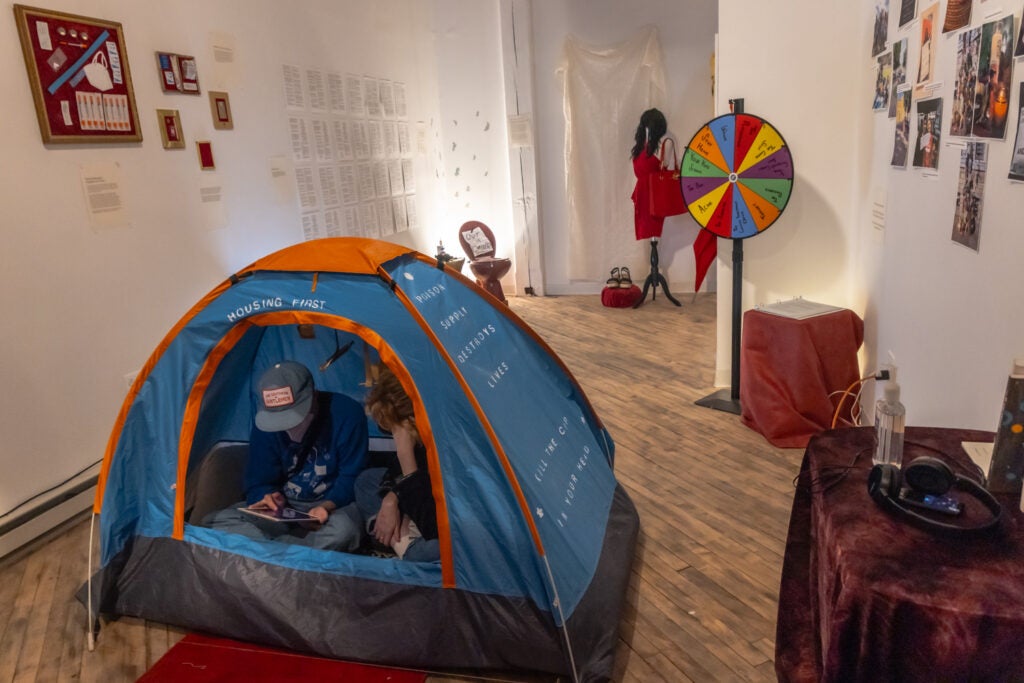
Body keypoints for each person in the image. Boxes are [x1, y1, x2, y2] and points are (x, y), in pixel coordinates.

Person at [206, 361, 368, 551]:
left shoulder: (347, 414)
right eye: (277, 419)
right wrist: (267, 498)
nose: (287, 427)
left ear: (313, 396)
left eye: (292, 417)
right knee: (214, 521)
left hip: (333, 506)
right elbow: (258, 481)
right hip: (286, 509)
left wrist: (326, 506)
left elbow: (353, 477)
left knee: (345, 530)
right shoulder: (263, 425)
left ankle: (274, 554)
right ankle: (299, 555)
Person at [355, 366, 439, 561]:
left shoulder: (450, 441)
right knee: (367, 480)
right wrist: (391, 498)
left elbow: (433, 526)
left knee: (434, 551)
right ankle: (393, 532)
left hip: (449, 528)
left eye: (395, 430)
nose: (394, 436)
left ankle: (399, 542)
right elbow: (399, 471)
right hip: (423, 496)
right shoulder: (420, 433)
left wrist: (405, 455)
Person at [630, 108, 668, 241]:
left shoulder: (661, 147)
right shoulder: (641, 147)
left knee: (653, 230)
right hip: (644, 195)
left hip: (654, 196)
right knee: (649, 231)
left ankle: (655, 255)